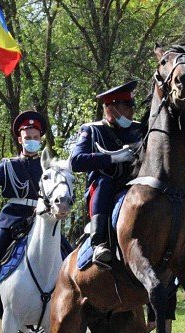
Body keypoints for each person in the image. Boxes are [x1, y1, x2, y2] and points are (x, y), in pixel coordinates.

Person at [0, 110, 51, 324]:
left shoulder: (48, 166)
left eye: (35, 138)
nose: (32, 141)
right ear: (20, 139)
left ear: (40, 139)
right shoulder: (8, 165)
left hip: (41, 219)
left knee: (66, 253)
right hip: (12, 219)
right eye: (28, 138)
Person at [69, 80, 143, 268]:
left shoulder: (138, 129)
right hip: (103, 189)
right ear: (111, 109)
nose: (131, 111)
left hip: (134, 183)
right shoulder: (92, 130)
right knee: (104, 182)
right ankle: (99, 242)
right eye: (126, 106)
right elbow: (76, 161)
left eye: (131, 105)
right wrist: (112, 159)